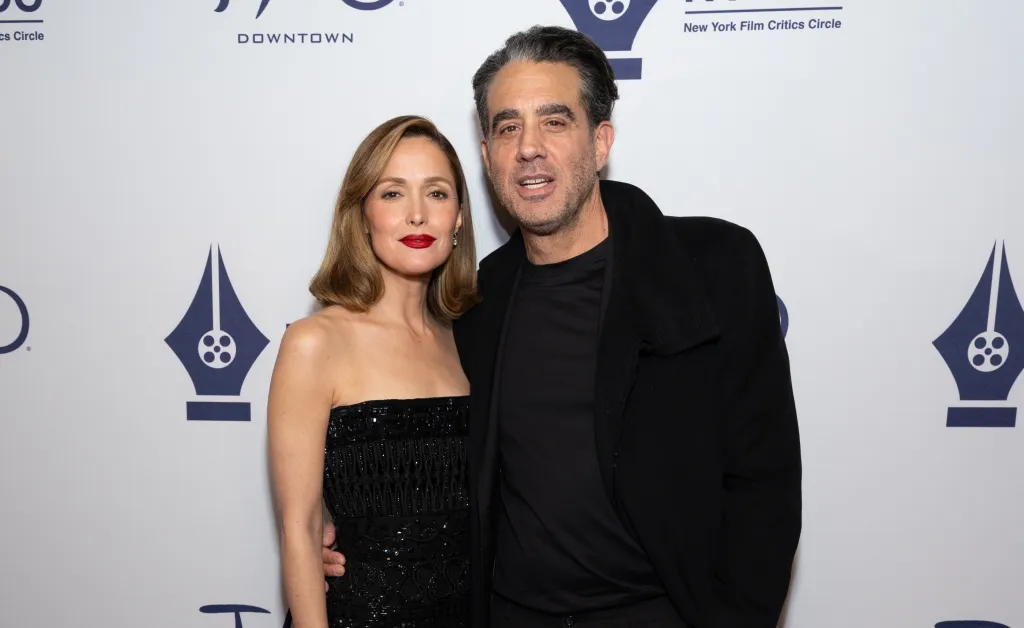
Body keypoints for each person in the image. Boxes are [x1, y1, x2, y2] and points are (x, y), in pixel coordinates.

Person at [323, 26, 802, 628]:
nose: (528, 147)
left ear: (600, 141)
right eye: (507, 126)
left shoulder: (711, 266)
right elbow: (422, 444)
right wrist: (339, 520)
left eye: (555, 121)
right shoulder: (473, 298)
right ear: (487, 153)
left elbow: (765, 479)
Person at [267, 115, 480, 628]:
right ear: (361, 215)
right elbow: (298, 531)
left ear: (457, 218)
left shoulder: (472, 339)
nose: (415, 215)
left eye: (436, 193)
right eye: (391, 194)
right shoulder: (315, 342)